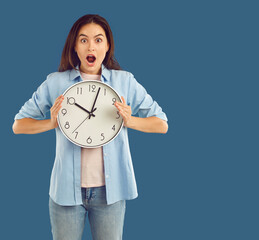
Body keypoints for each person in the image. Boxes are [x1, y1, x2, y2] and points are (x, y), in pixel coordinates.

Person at [13, 14, 168, 240]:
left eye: (98, 39)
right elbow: (18, 125)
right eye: (83, 40)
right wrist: (50, 122)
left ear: (107, 46)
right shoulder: (55, 82)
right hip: (65, 193)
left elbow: (161, 123)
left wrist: (130, 120)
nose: (90, 46)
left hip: (110, 195)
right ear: (75, 46)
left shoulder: (124, 81)